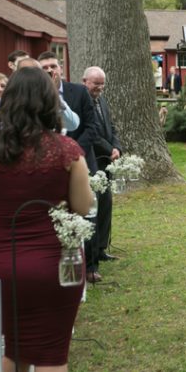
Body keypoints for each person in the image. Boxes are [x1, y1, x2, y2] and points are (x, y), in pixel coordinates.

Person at [0, 66, 92, 372]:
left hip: (4, 261)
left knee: (15, 347)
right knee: (51, 353)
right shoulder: (65, 151)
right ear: (49, 103)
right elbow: (82, 206)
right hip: (55, 262)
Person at [83, 66, 121, 269]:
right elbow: (92, 134)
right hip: (92, 161)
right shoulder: (82, 103)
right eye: (96, 83)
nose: (99, 87)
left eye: (102, 84)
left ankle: (101, 248)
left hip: (107, 162)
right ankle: (91, 252)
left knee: (106, 204)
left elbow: (111, 127)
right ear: (85, 82)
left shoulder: (102, 101)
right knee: (94, 207)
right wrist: (109, 149)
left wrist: (117, 147)